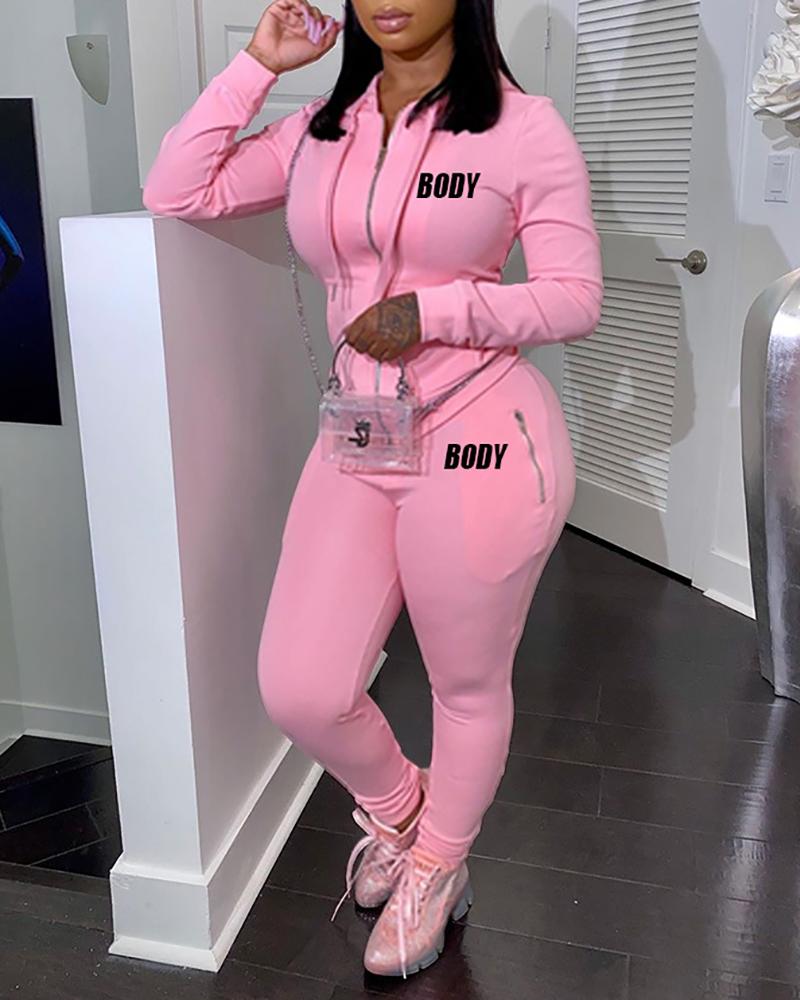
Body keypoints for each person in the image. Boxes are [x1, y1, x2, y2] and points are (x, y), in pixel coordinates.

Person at [142, 0, 603, 979]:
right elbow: (177, 187)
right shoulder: (321, 130)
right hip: (359, 432)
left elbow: (574, 295)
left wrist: (432, 311)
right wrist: (259, 66)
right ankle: (406, 815)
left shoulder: (522, 129)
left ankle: (438, 863)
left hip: (477, 435)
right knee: (300, 684)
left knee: (463, 684)